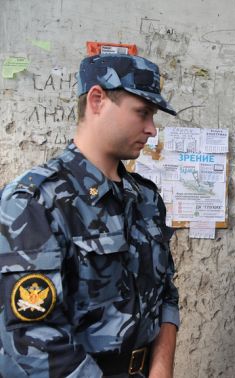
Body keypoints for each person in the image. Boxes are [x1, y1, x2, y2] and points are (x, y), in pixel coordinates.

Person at [0, 54, 179, 377]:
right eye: (142, 113)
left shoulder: (146, 198)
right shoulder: (35, 200)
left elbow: (166, 291)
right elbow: (32, 335)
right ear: (97, 99)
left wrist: (162, 366)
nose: (152, 129)